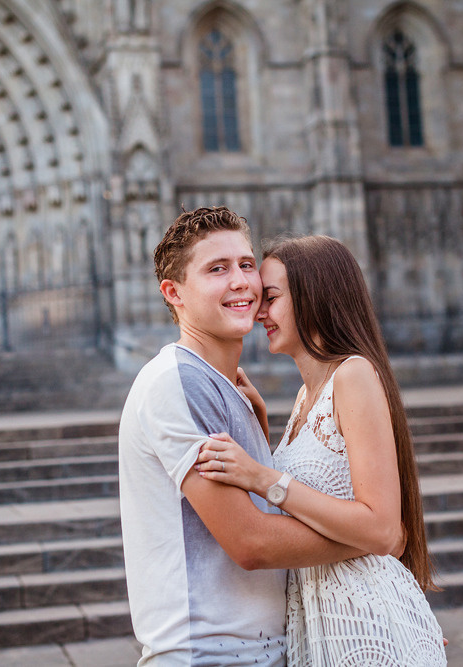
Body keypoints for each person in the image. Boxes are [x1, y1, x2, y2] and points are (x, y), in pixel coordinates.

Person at [118, 208, 372, 666]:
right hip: (210, 655)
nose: (241, 281)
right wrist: (376, 540)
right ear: (173, 293)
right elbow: (251, 543)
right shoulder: (178, 381)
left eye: (246, 264)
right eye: (217, 269)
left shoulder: (228, 389)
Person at [194, 235, 447, 666]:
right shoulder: (302, 398)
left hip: (367, 627)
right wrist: (262, 430)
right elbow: (320, 496)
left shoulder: (353, 375)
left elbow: (384, 528)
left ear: (313, 297)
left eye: (270, 298)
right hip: (321, 626)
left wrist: (263, 476)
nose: (259, 313)